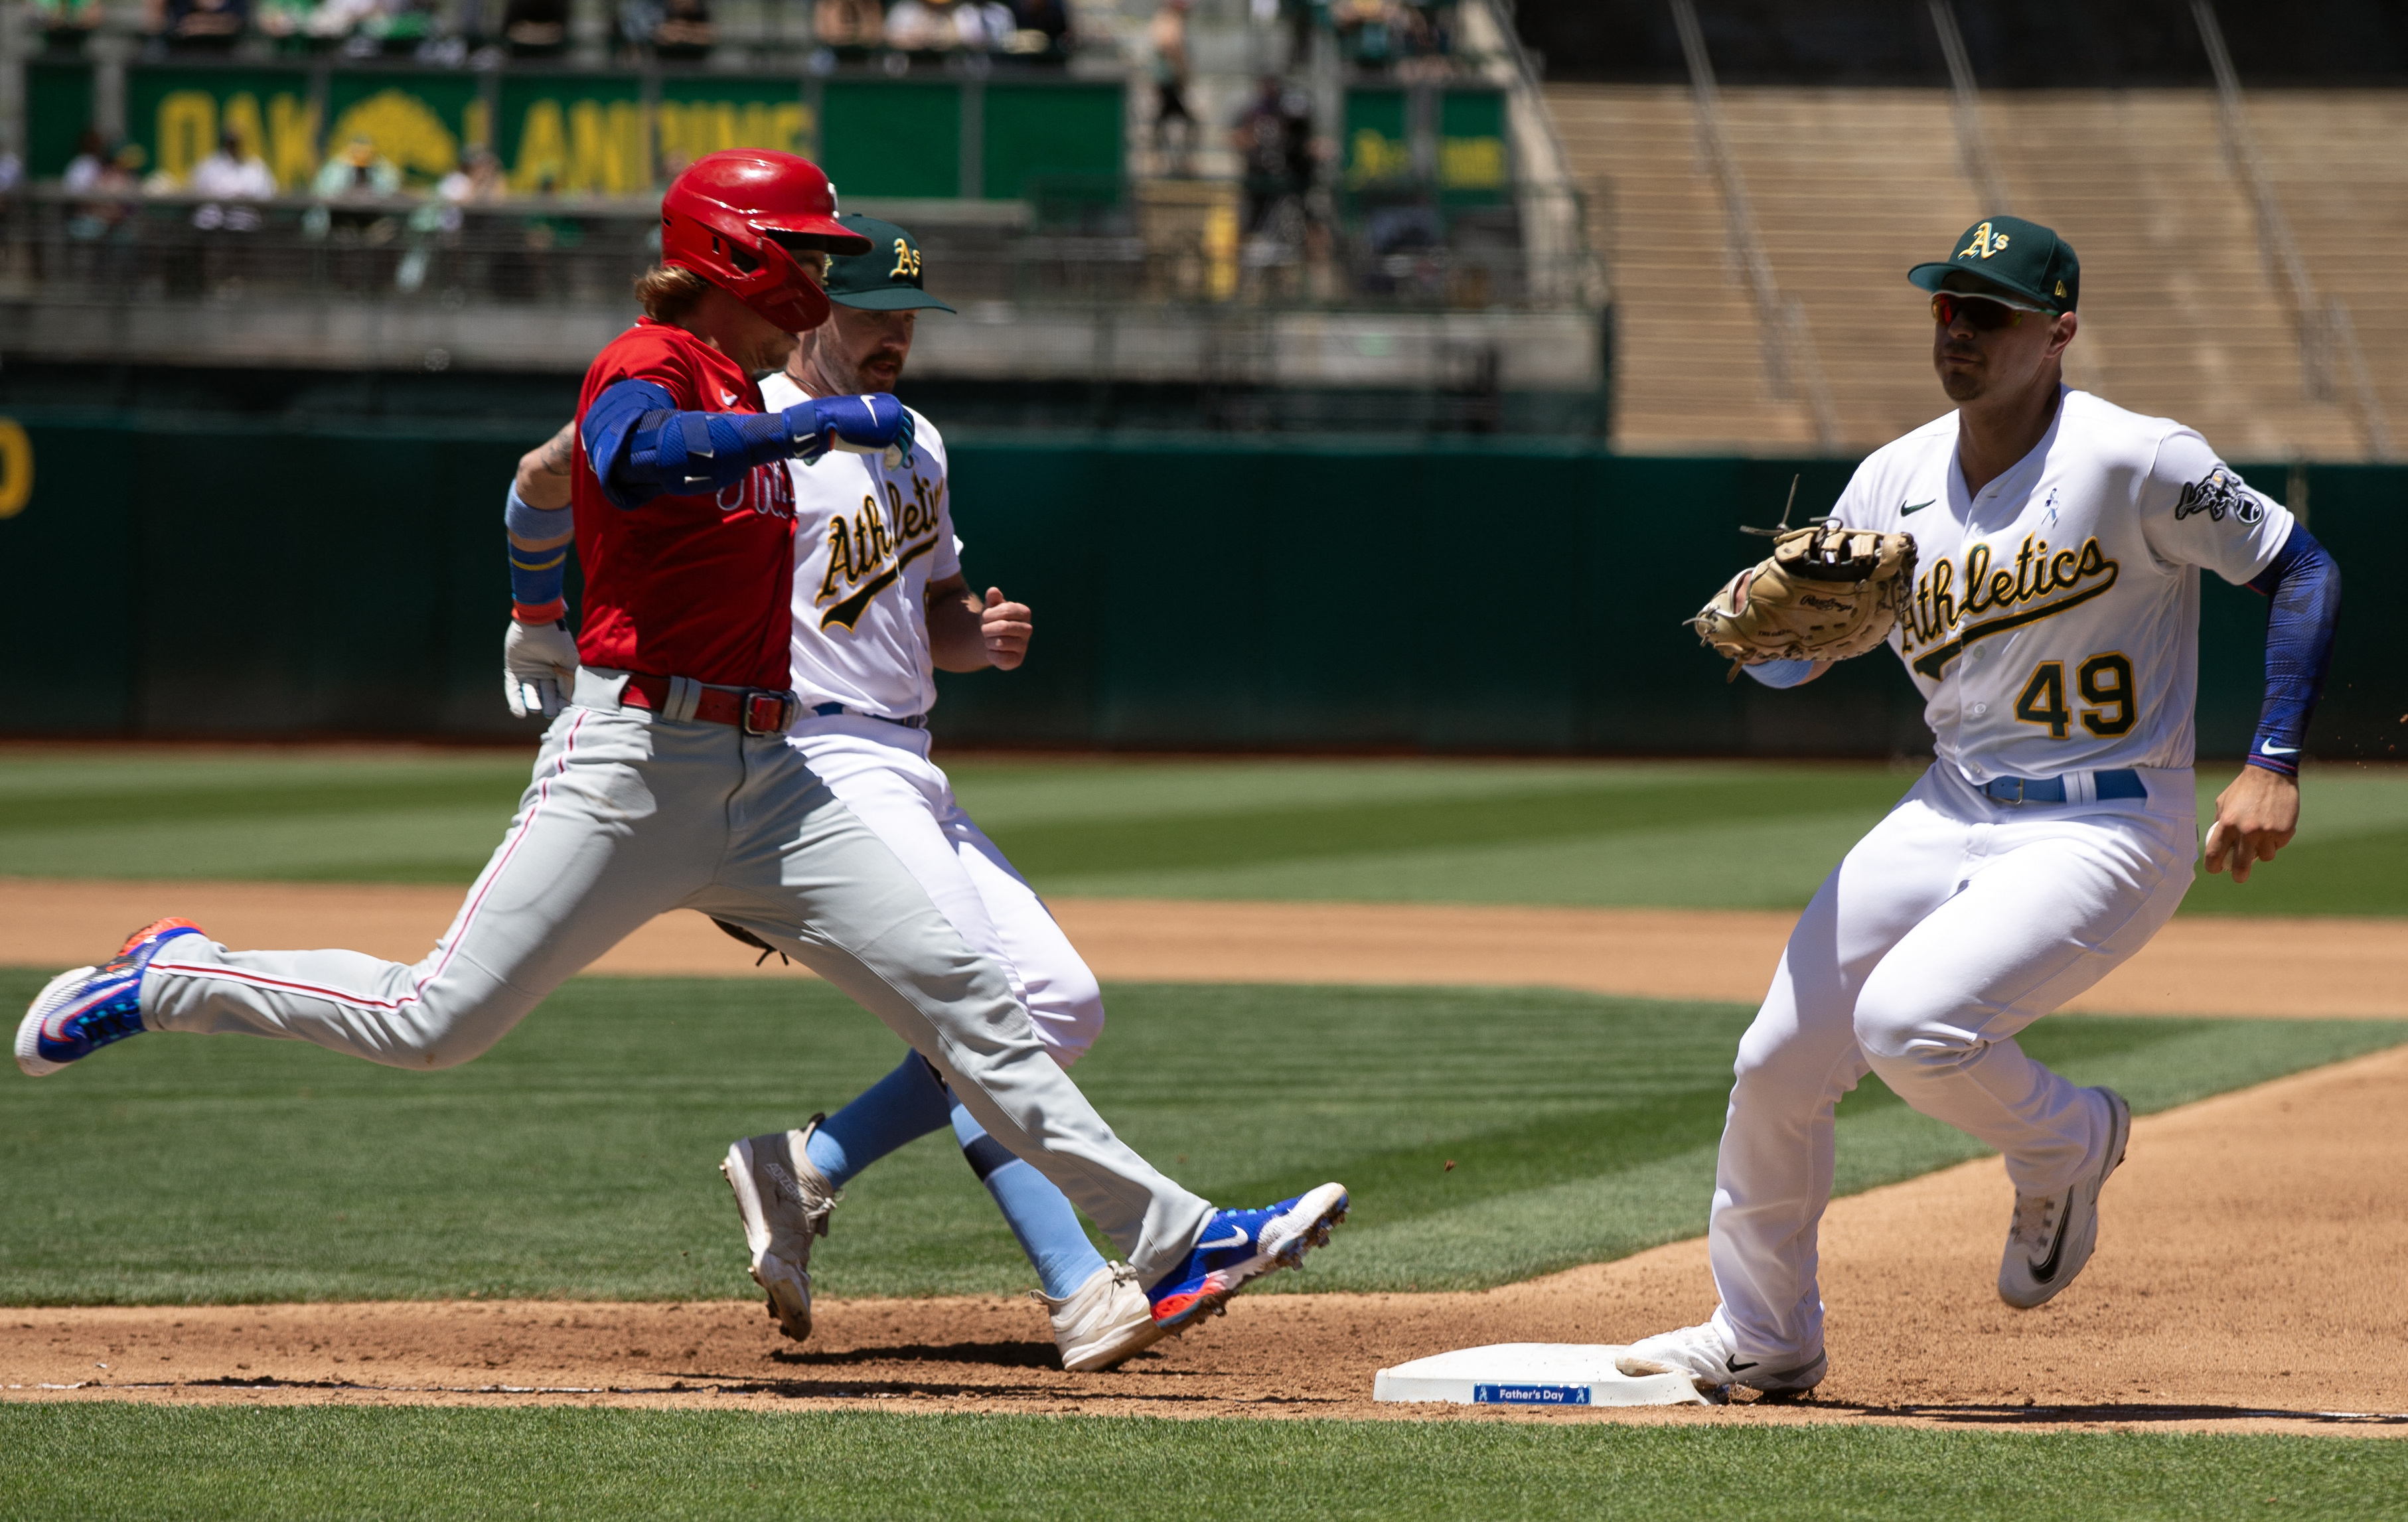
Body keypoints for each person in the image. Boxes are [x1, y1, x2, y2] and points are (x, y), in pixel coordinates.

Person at [15, 151, 1347, 1361]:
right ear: (742, 256)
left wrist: (543, 602)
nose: (823, 272)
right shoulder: (646, 363)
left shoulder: (811, 409)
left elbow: (569, 496)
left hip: (775, 783)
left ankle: (1175, 1238)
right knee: (434, 1024)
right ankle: (170, 975)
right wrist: (780, 443)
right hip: (635, 761)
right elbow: (628, 461)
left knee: (975, 1007)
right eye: (805, 247)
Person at [1618, 215, 2341, 1399]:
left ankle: (2069, 1142)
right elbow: (1816, 653)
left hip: (2107, 821)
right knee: (1778, 1060)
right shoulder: (1893, 479)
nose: (1960, 330)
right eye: (1948, 307)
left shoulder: (2136, 458)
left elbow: (2303, 568)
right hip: (1950, 803)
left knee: (1912, 1021)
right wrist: (1764, 639)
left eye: (1990, 312)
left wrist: (2274, 758)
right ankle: (1765, 1332)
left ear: (2057, 332)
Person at [505, 213, 1168, 1371]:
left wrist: (981, 634)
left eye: (911, 316)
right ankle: (1085, 1286)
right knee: (990, 1010)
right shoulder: (735, 425)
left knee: (1064, 1004)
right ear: (810, 307)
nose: (896, 337)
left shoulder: (918, 440)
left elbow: (933, 614)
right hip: (806, 762)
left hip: (911, 757)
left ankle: (808, 1164)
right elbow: (561, 475)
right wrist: (537, 609)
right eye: (873, 313)